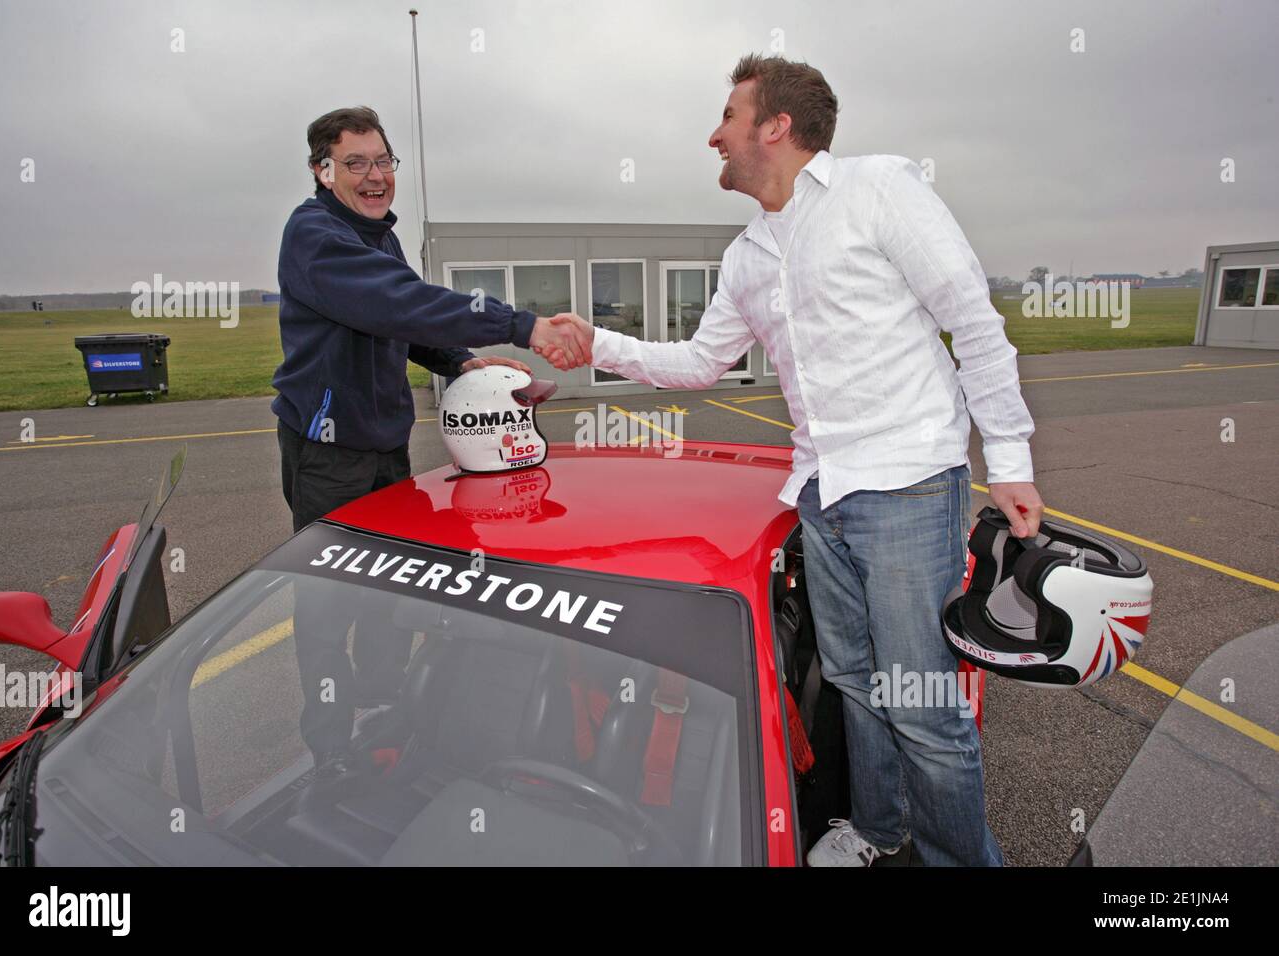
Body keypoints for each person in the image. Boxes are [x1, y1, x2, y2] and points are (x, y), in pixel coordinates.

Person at [535, 56, 1044, 866]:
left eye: (728, 117)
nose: (715, 135)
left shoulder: (878, 190)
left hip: (908, 483)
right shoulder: (746, 257)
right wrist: (600, 344)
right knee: (851, 681)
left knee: (922, 705)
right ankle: (875, 831)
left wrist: (1009, 458)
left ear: (776, 126)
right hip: (821, 491)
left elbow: (973, 323)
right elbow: (700, 363)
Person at [272, 106, 588, 772]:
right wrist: (521, 325)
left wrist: (456, 362)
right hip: (328, 451)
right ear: (321, 172)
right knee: (328, 602)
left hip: (383, 444)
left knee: (395, 587)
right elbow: (398, 304)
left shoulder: (377, 237)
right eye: (354, 163)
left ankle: (385, 709)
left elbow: (405, 317)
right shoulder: (315, 235)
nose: (374, 175)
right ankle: (330, 751)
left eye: (383, 160)